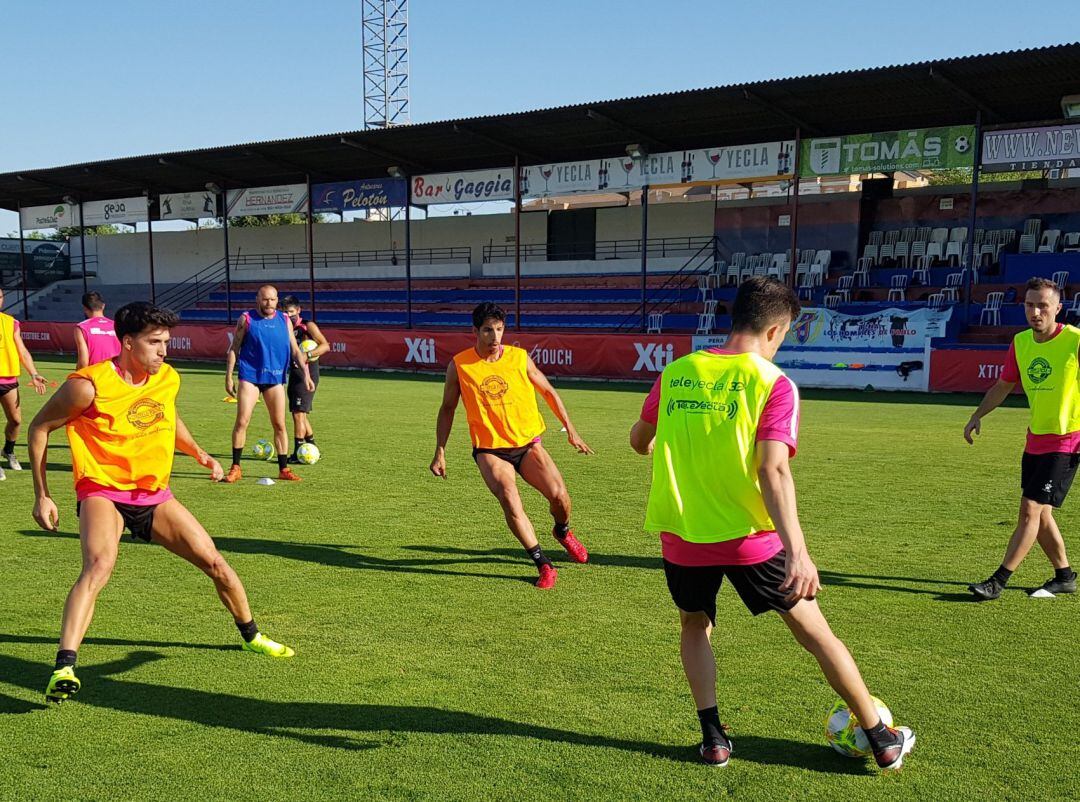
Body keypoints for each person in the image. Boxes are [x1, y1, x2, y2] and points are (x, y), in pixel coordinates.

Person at [629, 277, 914, 769]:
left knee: (695, 625)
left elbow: (639, 439)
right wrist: (798, 551)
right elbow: (772, 467)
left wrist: (660, 441)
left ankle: (714, 739)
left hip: (682, 537)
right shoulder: (774, 383)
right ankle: (880, 736)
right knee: (814, 631)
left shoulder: (675, 373)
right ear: (777, 330)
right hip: (750, 542)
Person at [28, 302, 294, 704]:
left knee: (216, 562)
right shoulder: (88, 386)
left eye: (166, 342)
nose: (164, 351)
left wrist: (200, 453)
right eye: (155, 342)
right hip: (102, 490)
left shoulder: (166, 377)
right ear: (128, 342)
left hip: (154, 494)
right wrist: (42, 495)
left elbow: (166, 418)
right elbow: (40, 427)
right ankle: (64, 667)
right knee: (99, 566)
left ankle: (252, 636)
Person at [430, 302, 592, 589]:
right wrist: (440, 450)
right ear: (475, 331)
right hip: (490, 450)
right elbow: (447, 408)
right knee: (509, 496)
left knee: (560, 497)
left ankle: (563, 532)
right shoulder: (460, 365)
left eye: (500, 330)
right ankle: (543, 563)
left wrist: (571, 430)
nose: (495, 338)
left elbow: (548, 391)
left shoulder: (519, 357)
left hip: (528, 444)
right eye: (488, 331)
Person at [964, 276, 1078, 600]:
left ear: (1058, 307)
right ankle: (1065, 575)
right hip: (1035, 440)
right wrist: (977, 415)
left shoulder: (1075, 341)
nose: (1036, 311)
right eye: (1030, 305)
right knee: (1041, 516)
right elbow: (1003, 385)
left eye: (1043, 305)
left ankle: (998, 581)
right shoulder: (1021, 343)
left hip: (1066, 440)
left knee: (1030, 509)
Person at [223, 285, 313, 482]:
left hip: (275, 378)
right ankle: (236, 467)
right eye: (265, 299)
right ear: (258, 299)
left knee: (279, 424)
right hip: (250, 377)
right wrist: (229, 376)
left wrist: (306, 375)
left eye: (272, 300)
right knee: (242, 421)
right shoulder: (246, 319)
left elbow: (296, 350)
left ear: (276, 300)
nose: (269, 303)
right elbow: (234, 348)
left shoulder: (284, 320)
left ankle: (284, 469)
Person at [0, 287, 48, 480]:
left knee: (16, 420)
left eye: (0, 296)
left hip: (8, 379)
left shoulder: (10, 323)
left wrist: (33, 373)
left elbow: (22, 350)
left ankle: (8, 450)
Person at [280, 295, 329, 463]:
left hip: (307, 373)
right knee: (298, 412)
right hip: (293, 373)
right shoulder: (283, 326)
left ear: (299, 310)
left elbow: (325, 345)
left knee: (299, 414)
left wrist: (306, 354)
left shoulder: (307, 326)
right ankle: (312, 447)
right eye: (285, 312)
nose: (288, 315)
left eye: (291, 312)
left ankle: (298, 451)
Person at [74, 290, 121, 369]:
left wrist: (77, 378)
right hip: (116, 376)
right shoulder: (117, 325)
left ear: (85, 308)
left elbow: (83, 362)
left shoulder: (81, 328)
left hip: (95, 376)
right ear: (103, 306)